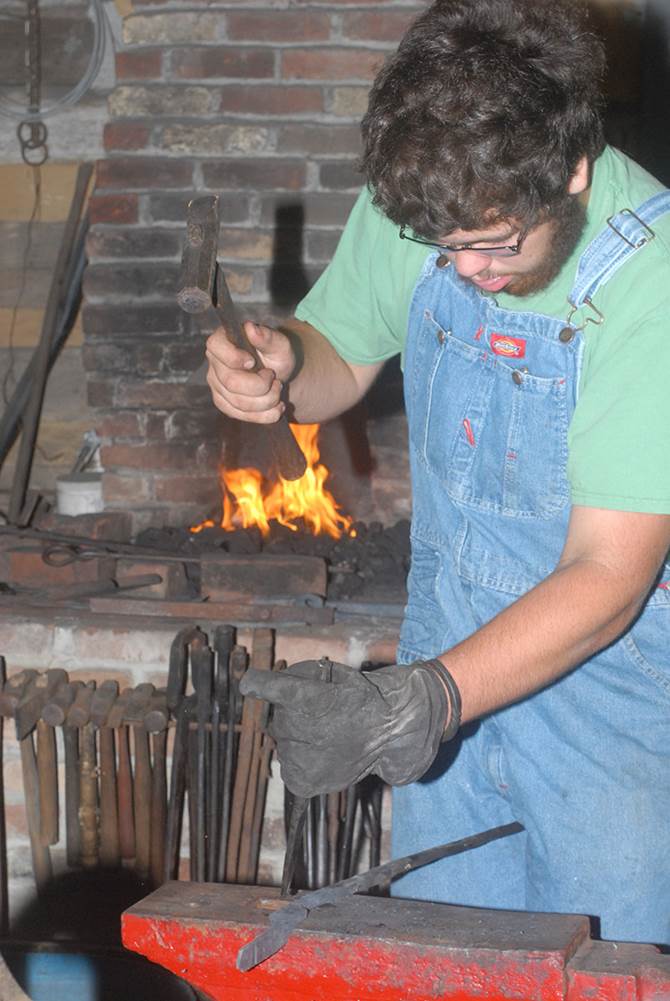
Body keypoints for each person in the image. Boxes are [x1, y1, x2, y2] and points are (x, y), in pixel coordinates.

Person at [206, 0, 670, 946]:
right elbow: (342, 348)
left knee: (604, 972)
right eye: (441, 245)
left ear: (573, 171)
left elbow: (610, 575)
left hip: (608, 710)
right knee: (441, 966)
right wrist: (287, 367)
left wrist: (424, 700)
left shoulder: (652, 282)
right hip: (444, 666)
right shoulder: (435, 197)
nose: (465, 270)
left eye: (496, 244)